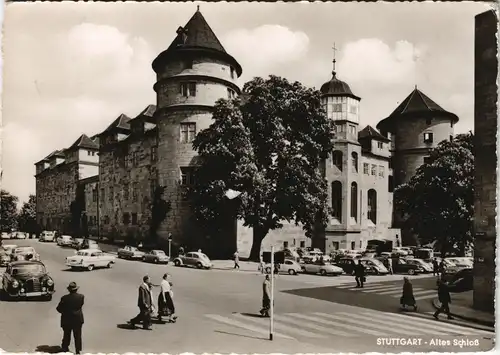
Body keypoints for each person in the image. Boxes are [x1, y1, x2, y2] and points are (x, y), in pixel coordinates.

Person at [56, 282, 84, 355]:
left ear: (69, 290)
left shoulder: (64, 298)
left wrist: (65, 311)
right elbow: (80, 305)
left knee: (66, 335)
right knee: (77, 336)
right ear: (76, 289)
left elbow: (58, 309)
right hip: (77, 319)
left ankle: (65, 348)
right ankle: (78, 350)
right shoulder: (81, 297)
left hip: (67, 319)